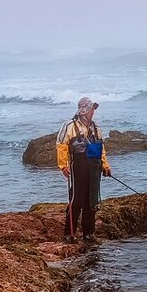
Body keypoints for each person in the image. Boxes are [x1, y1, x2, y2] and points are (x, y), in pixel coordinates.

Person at [56, 97, 112, 243]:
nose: (92, 112)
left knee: (91, 201)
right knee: (76, 200)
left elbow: (102, 149)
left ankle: (89, 233)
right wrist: (63, 166)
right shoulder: (69, 125)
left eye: (93, 109)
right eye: (90, 109)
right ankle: (69, 233)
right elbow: (61, 145)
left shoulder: (96, 128)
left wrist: (105, 166)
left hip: (94, 167)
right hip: (77, 165)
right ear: (83, 111)